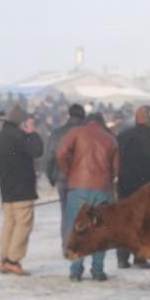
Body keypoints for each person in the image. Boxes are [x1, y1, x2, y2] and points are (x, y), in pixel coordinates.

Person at [56, 112, 119, 281]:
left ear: (87, 122)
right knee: (99, 229)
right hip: (102, 189)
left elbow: (61, 153)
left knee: (76, 227)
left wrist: (69, 172)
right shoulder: (110, 138)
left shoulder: (76, 132)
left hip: (78, 187)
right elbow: (116, 168)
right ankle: (97, 270)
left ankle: (76, 270)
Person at [0, 106, 43, 276]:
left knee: (9, 224)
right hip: (23, 188)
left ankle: (4, 259)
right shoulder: (21, 137)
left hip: (7, 187)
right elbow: (37, 151)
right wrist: (33, 133)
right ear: (21, 122)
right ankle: (14, 260)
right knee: (23, 224)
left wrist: (5, 175)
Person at [116, 106, 150, 269]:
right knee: (144, 222)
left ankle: (122, 258)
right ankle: (140, 257)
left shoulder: (122, 137)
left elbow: (115, 161)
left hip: (125, 184)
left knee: (124, 220)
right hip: (148, 187)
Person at [44, 104, 86, 248]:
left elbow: (49, 156)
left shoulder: (57, 133)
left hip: (63, 178)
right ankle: (80, 244)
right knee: (82, 212)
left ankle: (67, 244)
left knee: (66, 212)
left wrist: (51, 176)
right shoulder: (86, 133)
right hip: (83, 179)